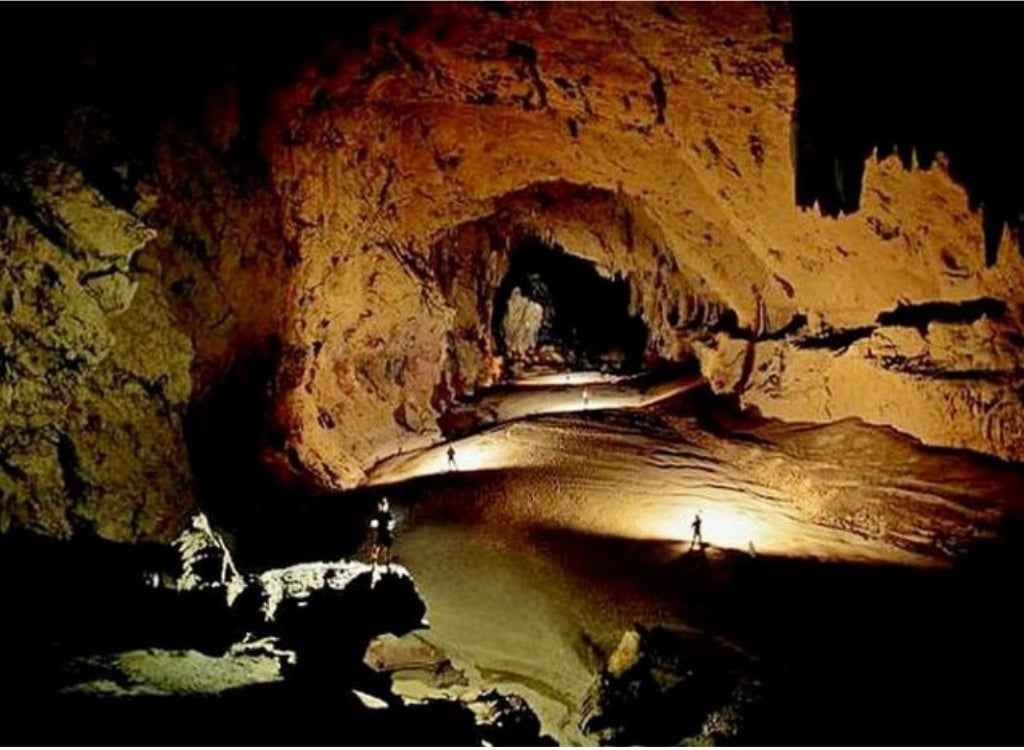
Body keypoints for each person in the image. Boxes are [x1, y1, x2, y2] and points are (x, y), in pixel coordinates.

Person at [369, 497, 396, 567]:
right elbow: (372, 524)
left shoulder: (387, 514)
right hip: (380, 533)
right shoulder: (377, 515)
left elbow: (391, 523)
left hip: (385, 533)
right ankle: (375, 562)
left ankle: (386, 561)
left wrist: (390, 532)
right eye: (384, 504)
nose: (386, 505)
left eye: (386, 504)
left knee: (385, 548)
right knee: (378, 547)